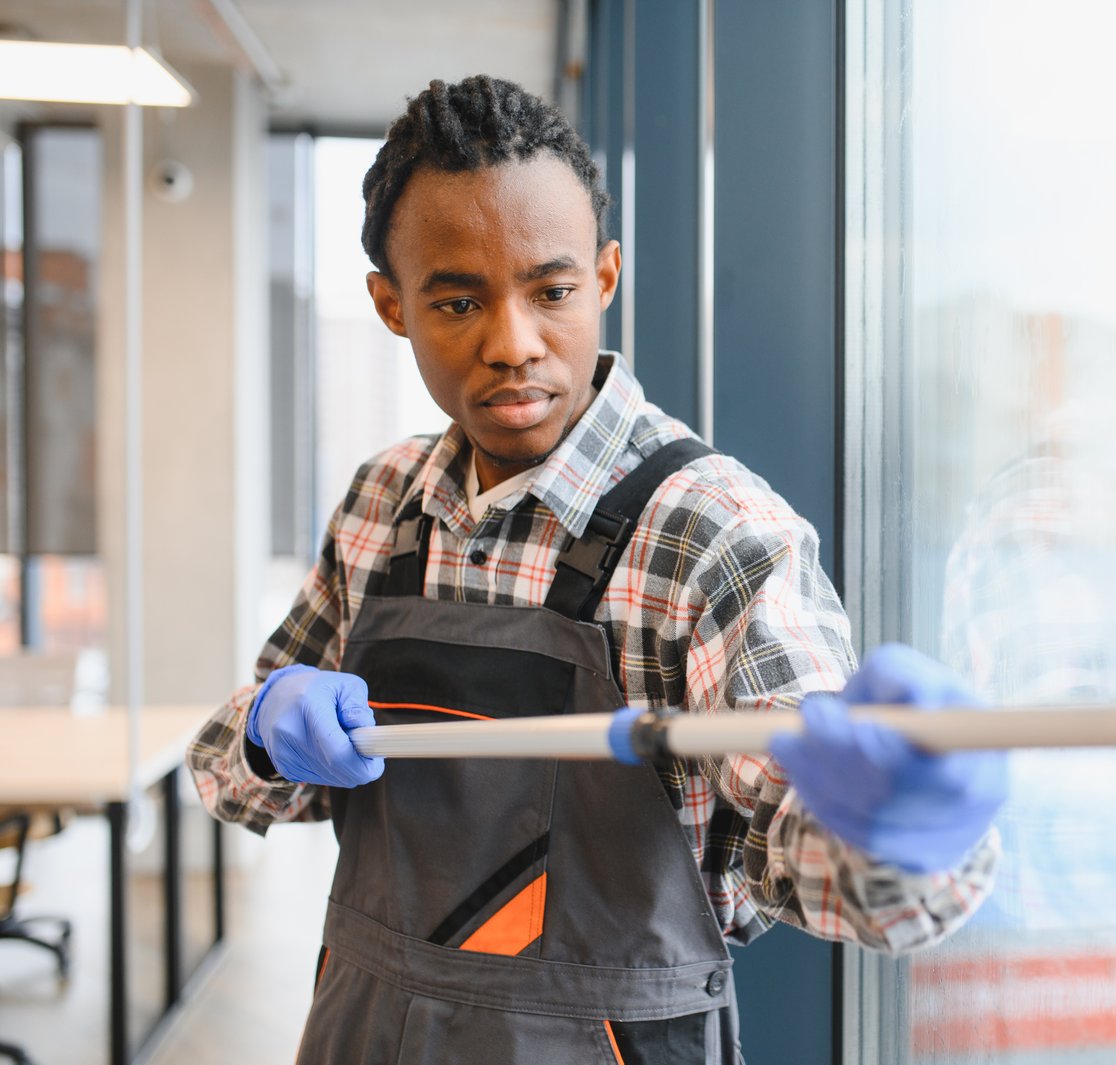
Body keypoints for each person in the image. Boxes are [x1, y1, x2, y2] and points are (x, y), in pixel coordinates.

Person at [187, 74, 1004, 1065]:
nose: (513, 345)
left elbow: (815, 857)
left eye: (552, 291)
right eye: (456, 301)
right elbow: (230, 777)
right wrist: (270, 732)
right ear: (389, 305)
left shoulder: (712, 532)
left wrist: (907, 834)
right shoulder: (380, 504)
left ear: (606, 278)